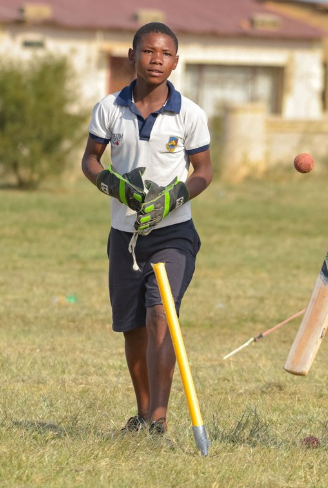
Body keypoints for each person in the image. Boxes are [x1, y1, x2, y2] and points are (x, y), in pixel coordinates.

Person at [82, 22, 212, 434]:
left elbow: (204, 172)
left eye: (166, 53)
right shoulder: (109, 108)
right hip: (125, 237)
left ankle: (159, 417)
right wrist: (113, 185)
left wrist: (172, 197)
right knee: (132, 328)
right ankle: (142, 416)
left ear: (176, 62)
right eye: (149, 51)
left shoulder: (189, 114)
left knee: (162, 316)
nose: (157, 59)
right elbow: (90, 160)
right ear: (132, 55)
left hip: (174, 234)